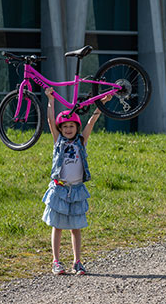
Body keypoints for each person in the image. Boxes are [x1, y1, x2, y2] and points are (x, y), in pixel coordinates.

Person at [41, 87, 111, 275]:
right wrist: (51, 100)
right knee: (57, 226)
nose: (68, 129)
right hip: (59, 189)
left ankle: (77, 262)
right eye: (65, 127)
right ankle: (56, 261)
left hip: (77, 190)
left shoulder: (81, 140)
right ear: (60, 129)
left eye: (71, 126)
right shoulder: (58, 142)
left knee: (76, 227)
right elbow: (49, 120)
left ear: (76, 128)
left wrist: (101, 103)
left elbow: (92, 121)